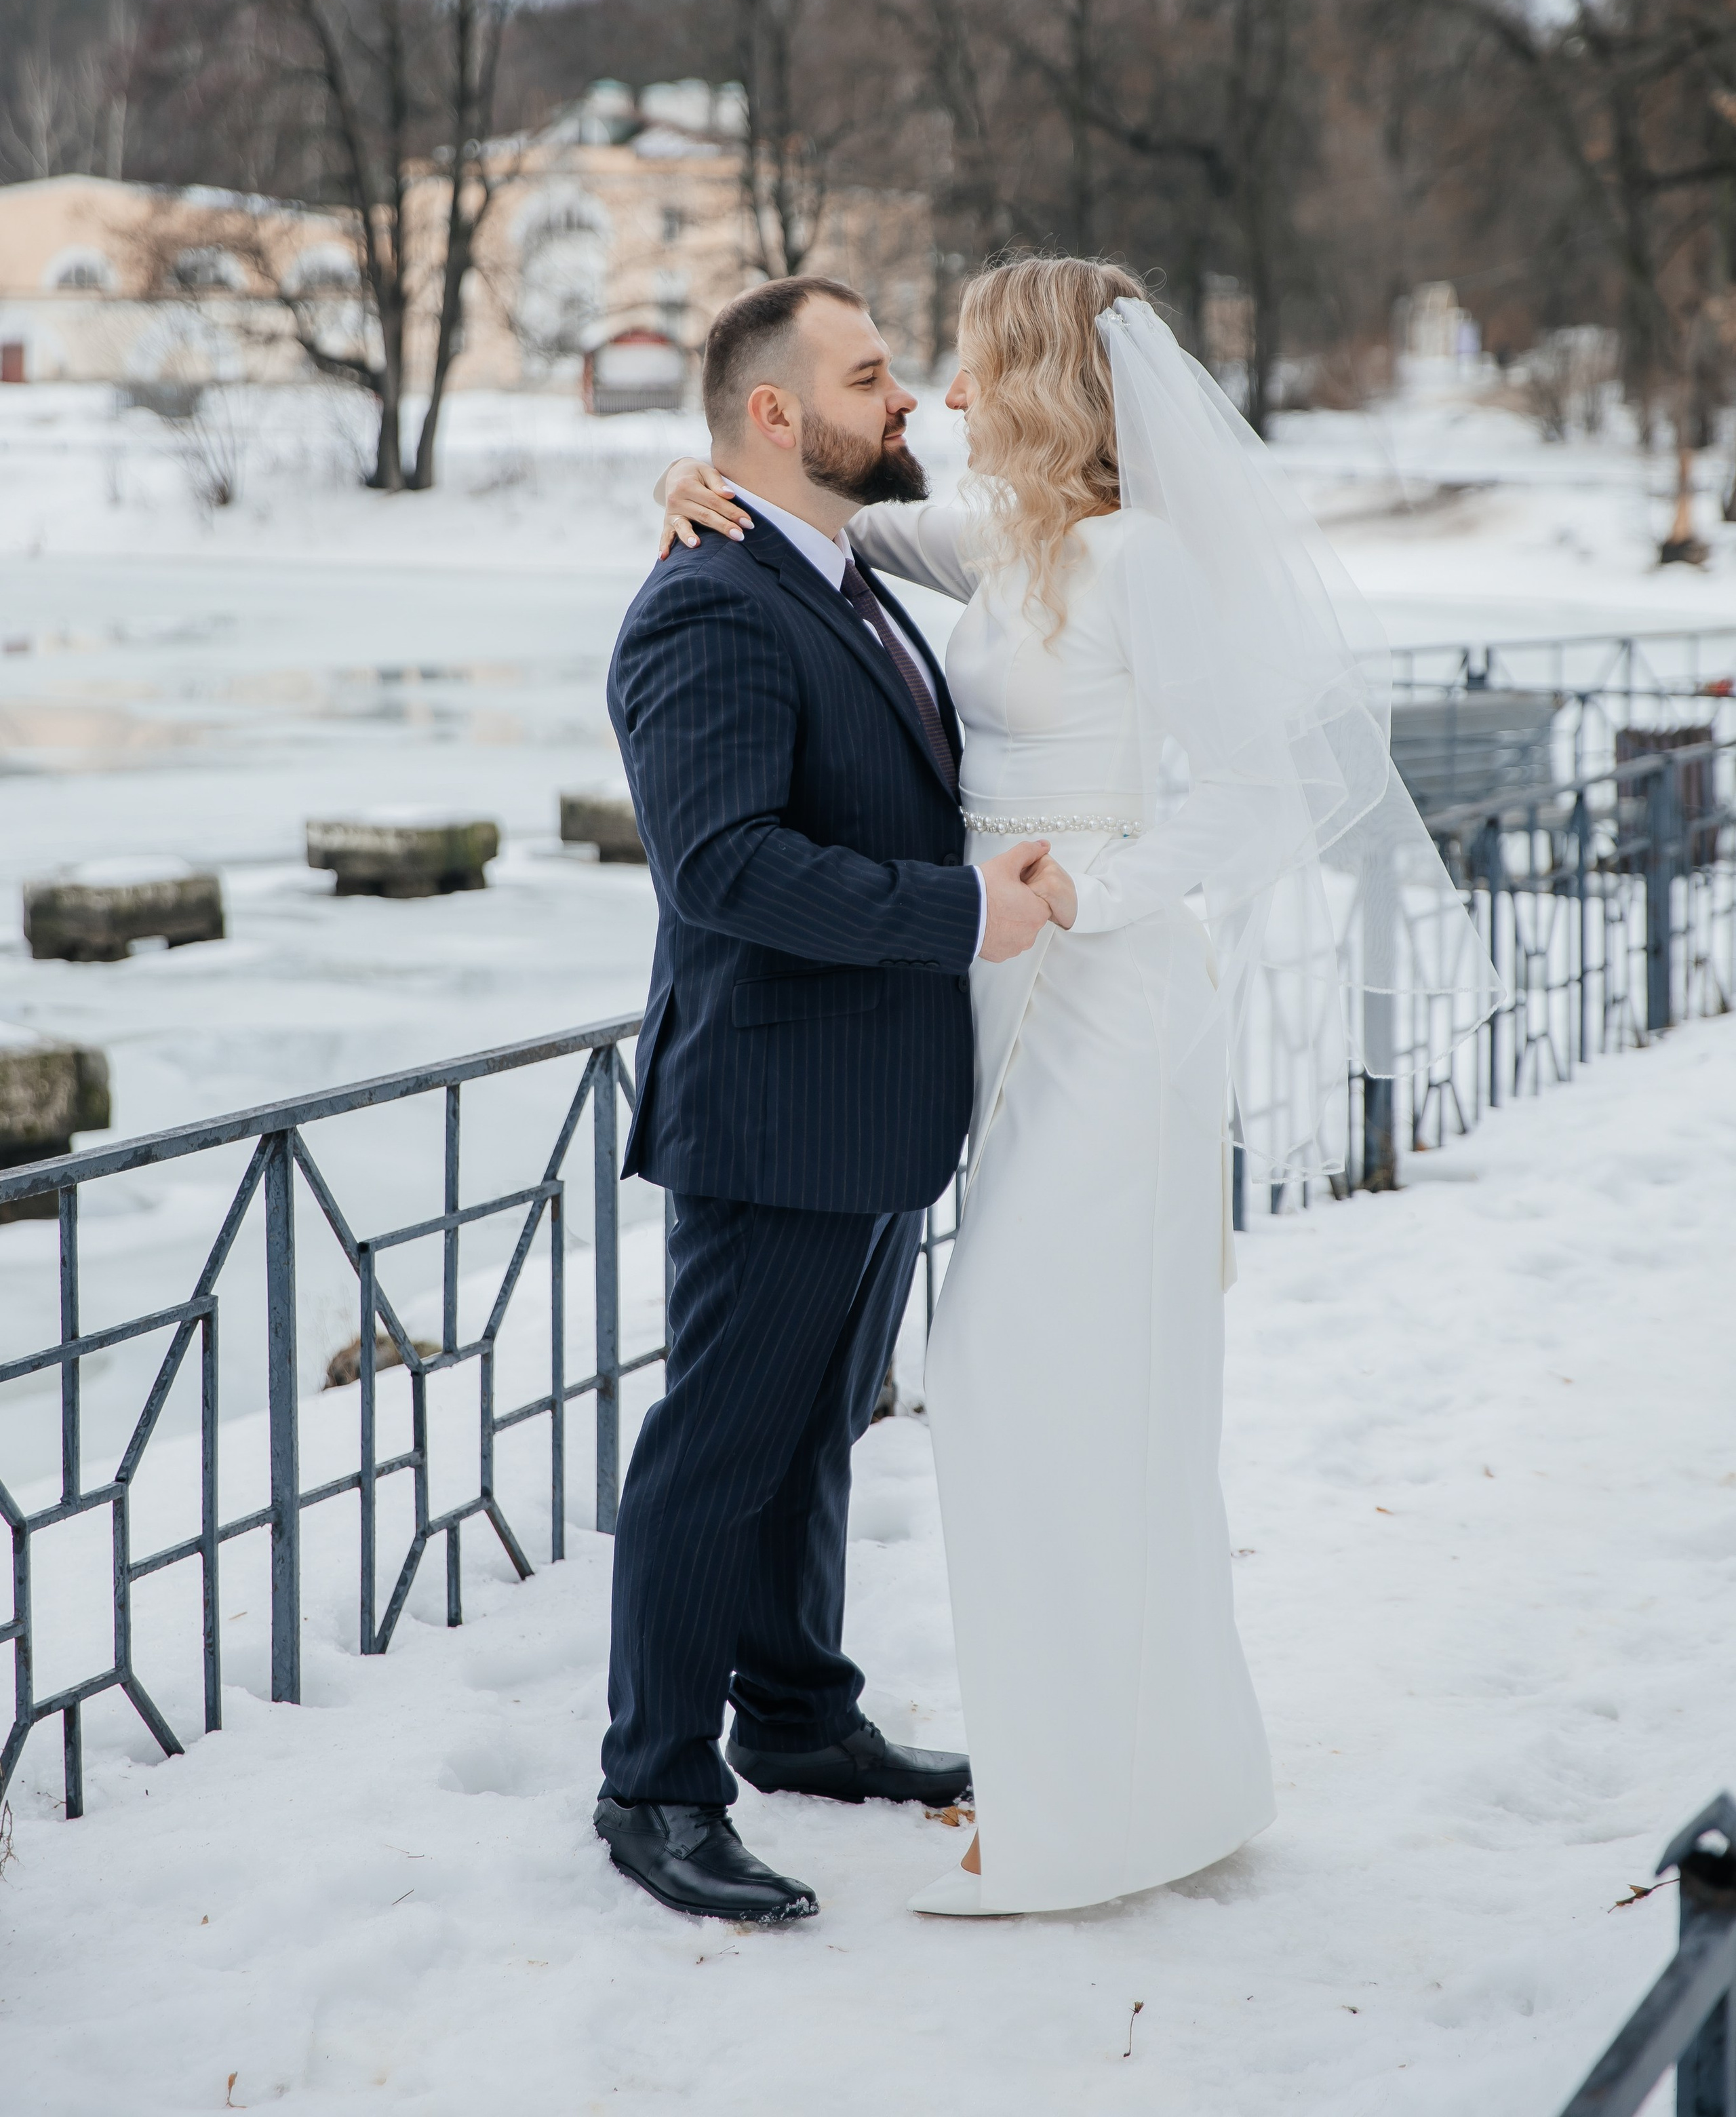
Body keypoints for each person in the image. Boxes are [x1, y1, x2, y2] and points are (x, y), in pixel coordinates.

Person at [656, 255, 1499, 1917]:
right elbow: (827, 523)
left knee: (1021, 1374)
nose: (949, 396)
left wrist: (1083, 898)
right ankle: (1123, 1778)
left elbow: (1259, 796)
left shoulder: (1141, 563)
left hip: (1101, 998)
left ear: (1045, 384)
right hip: (998, 1000)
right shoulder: (1008, 540)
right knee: (1048, 1386)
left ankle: (1076, 1805)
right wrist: (694, 479)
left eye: (975, 366)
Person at [597, 272, 1073, 1925]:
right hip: (771, 1108)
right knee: (718, 1451)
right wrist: (960, 916)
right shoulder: (709, 602)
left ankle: (796, 1716)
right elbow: (721, 868)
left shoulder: (842, 571)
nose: (907, 399)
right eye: (869, 377)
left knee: (811, 1438)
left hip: (867, 1107)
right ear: (773, 414)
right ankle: (655, 1788)